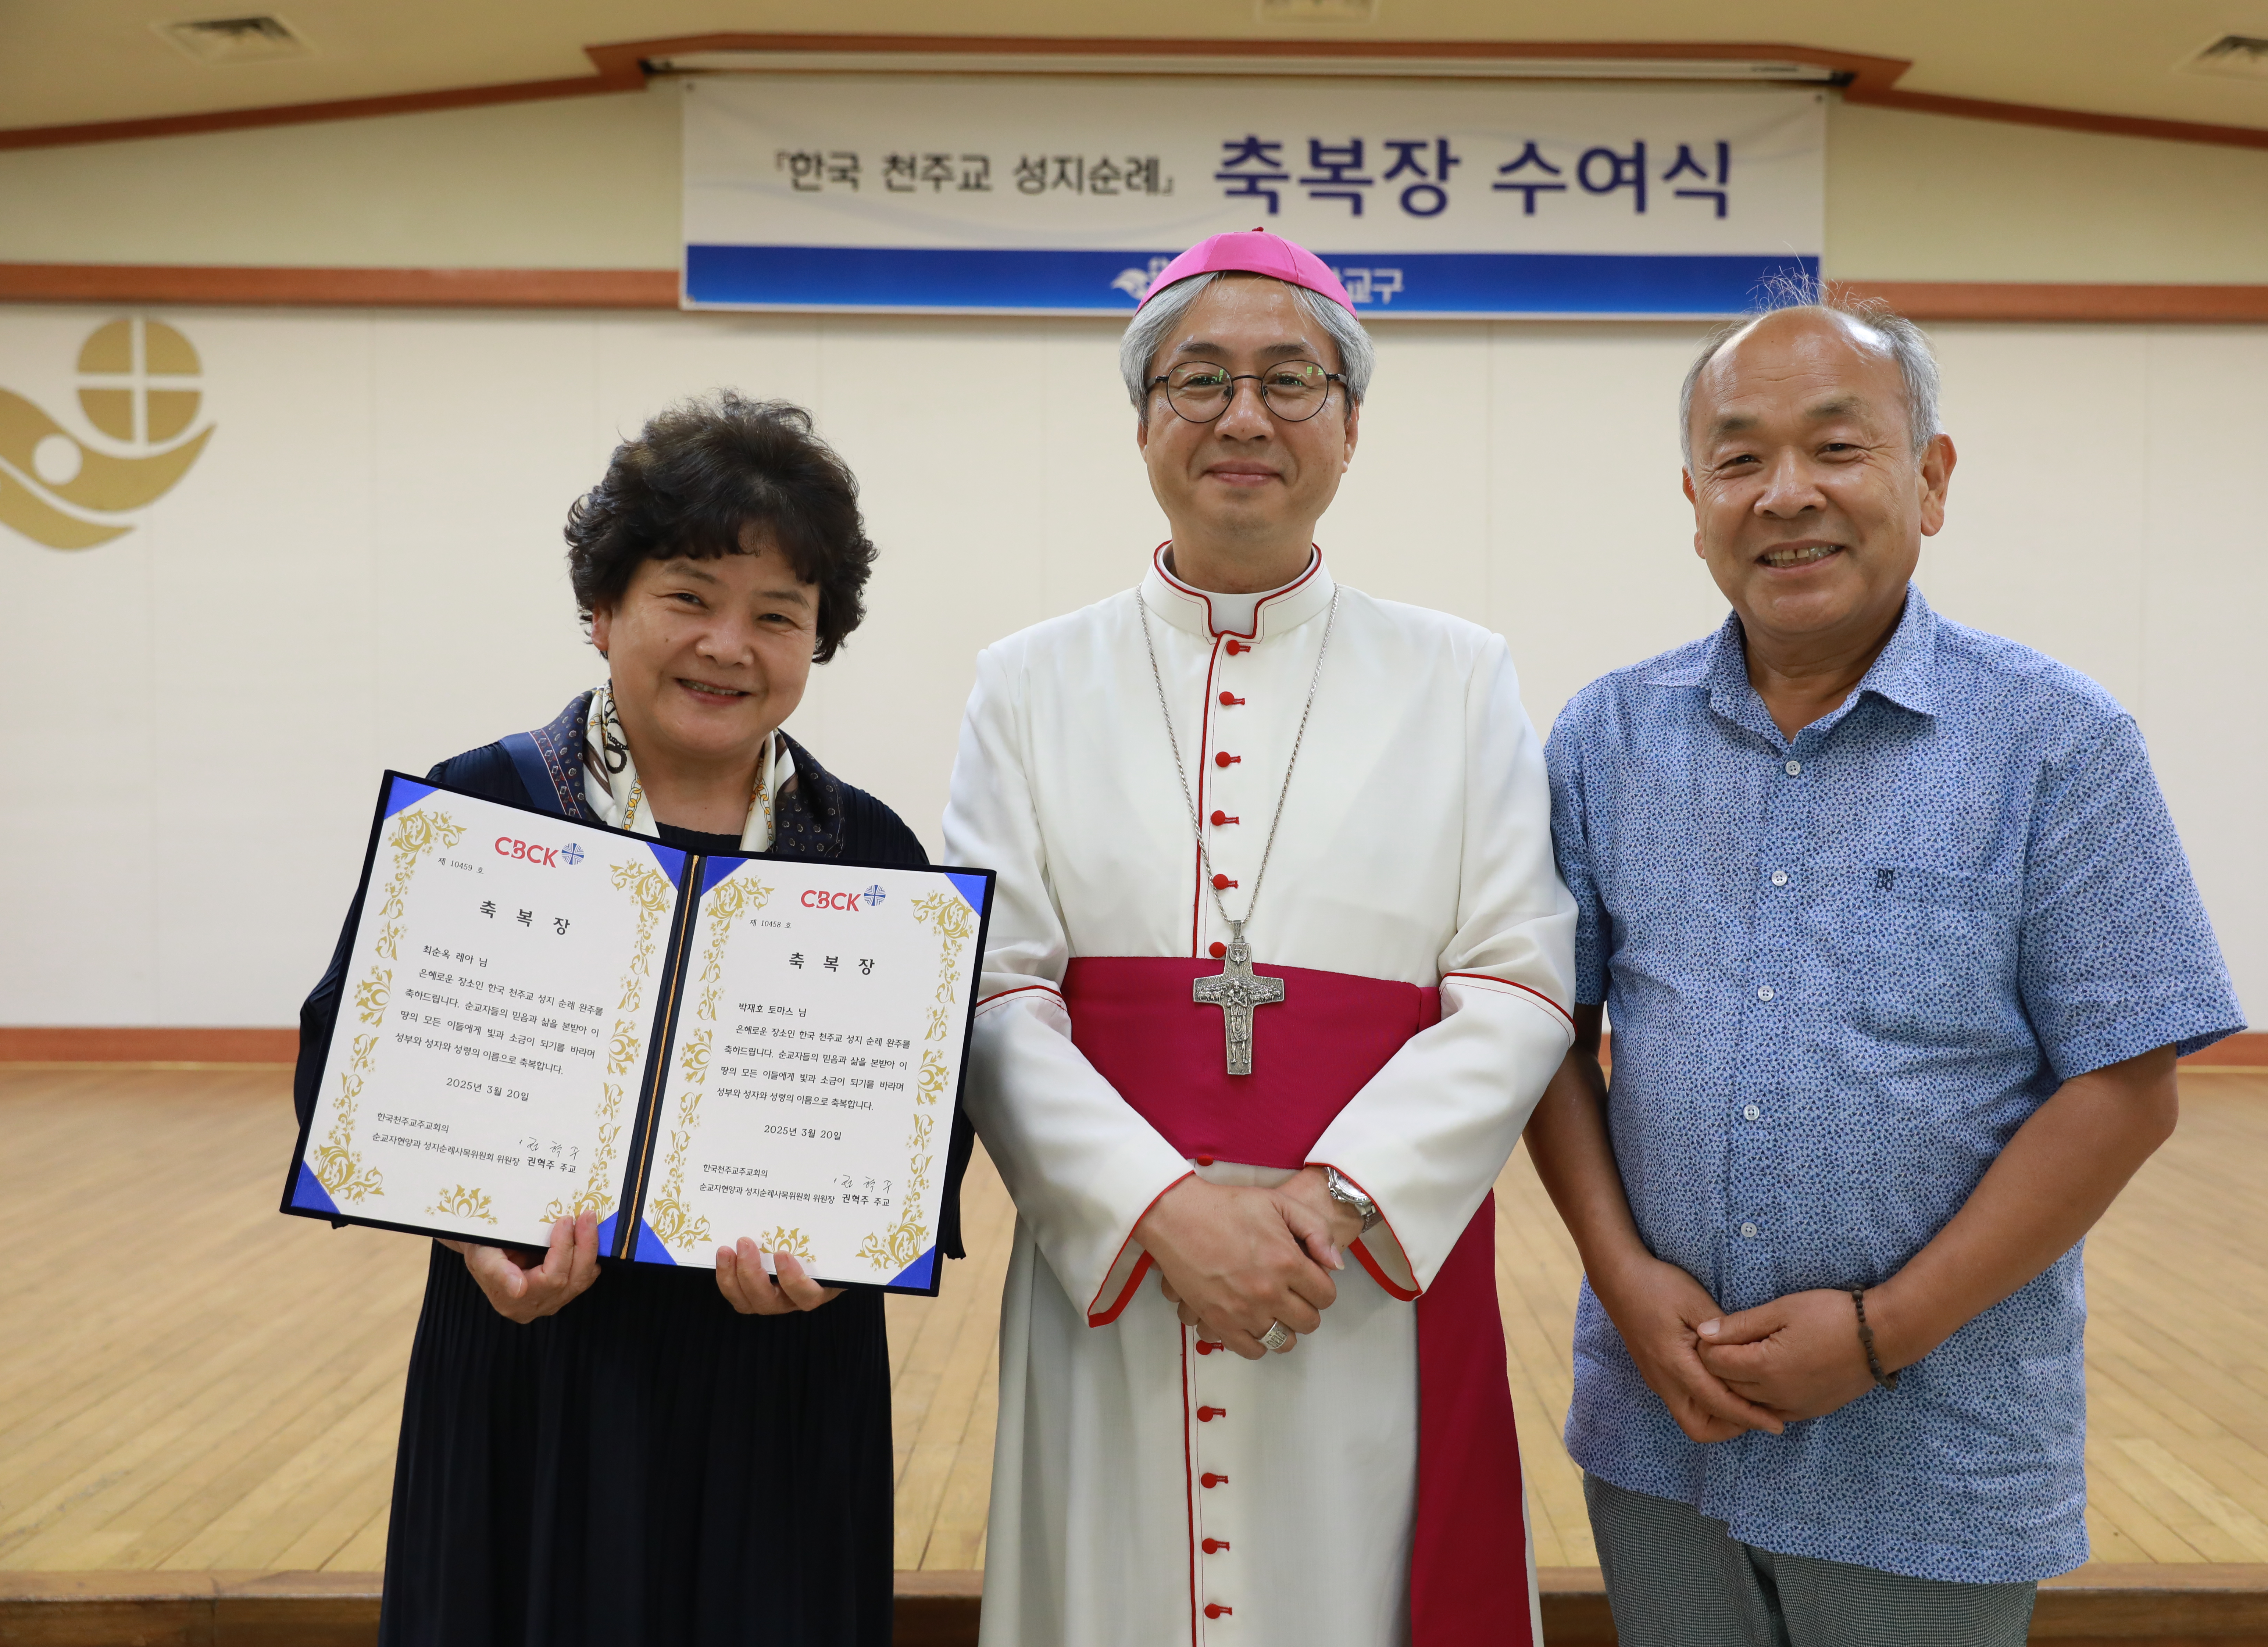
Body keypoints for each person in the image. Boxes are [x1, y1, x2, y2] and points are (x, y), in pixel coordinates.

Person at [1527, 290, 2246, 1645]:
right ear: (1694, 503)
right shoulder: (1605, 738)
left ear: (1931, 478)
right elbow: (1549, 1035)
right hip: (1663, 1425)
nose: (1787, 494)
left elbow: (2125, 1088)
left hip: (1934, 1444)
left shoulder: (2057, 741)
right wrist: (1621, 1277)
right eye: (1741, 459)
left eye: (1838, 447)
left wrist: (1882, 1331)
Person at [942, 229, 1577, 1645]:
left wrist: (1333, 1207)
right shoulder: (1028, 685)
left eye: (1292, 380)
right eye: (1200, 380)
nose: (1244, 416)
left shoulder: (1458, 678)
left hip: (1357, 1285)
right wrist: (1161, 1210)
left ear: (1351, 424)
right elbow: (991, 994)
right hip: (1119, 1276)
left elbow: (1520, 985)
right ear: (1143, 419)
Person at [292, 392, 969, 1647]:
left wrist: (853, 1249)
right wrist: (467, 1232)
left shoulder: (870, 850)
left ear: (818, 640)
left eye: (778, 615)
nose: (728, 645)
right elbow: (348, 1056)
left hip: (783, 1374)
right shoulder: (482, 809)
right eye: (688, 597)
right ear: (603, 608)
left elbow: (931, 1122)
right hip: (537, 1348)